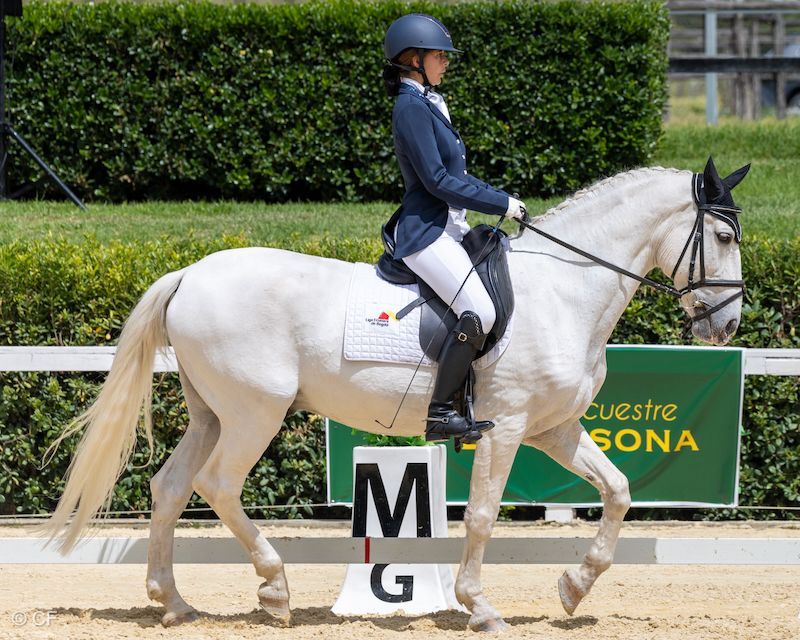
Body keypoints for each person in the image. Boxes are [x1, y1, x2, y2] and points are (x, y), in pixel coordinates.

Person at [382, 13, 527, 444]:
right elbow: (438, 182)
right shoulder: (409, 107)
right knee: (479, 312)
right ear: (413, 59)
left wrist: (502, 199)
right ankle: (441, 414)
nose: (446, 62)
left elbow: (459, 177)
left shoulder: (429, 102)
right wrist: (500, 203)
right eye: (439, 55)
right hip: (424, 233)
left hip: (449, 230)